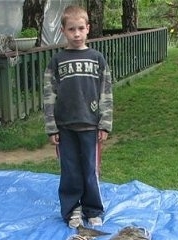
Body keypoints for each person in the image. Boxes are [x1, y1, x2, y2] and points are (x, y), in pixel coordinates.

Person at [43, 5, 113, 228]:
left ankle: (93, 209)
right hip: (65, 127)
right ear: (63, 30)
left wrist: (105, 123)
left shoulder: (97, 59)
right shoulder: (57, 61)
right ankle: (72, 209)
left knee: (90, 171)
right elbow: (48, 96)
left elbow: (106, 92)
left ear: (88, 29)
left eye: (81, 28)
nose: (76, 33)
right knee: (70, 170)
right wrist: (51, 127)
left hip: (90, 126)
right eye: (71, 29)